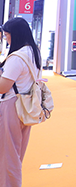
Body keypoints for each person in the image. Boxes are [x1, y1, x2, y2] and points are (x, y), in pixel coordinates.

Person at [0, 17, 42, 187]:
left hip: (12, 106)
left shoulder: (17, 57)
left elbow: (3, 87)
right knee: (16, 153)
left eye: (7, 35)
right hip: (27, 105)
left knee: (8, 155)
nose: (6, 39)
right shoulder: (33, 51)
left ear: (15, 34)